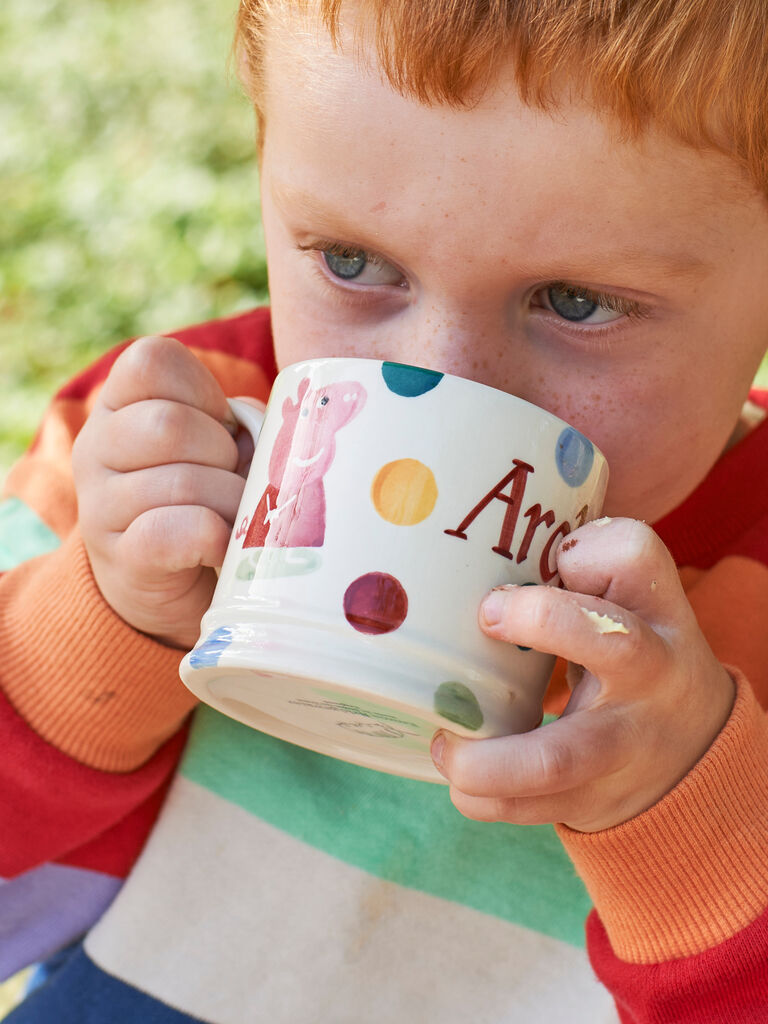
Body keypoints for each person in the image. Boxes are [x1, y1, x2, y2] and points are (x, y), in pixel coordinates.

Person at [2, 0, 768, 1020]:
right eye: (354, 263)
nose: (437, 381)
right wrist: (106, 622)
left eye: (577, 302)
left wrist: (692, 822)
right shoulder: (166, 456)